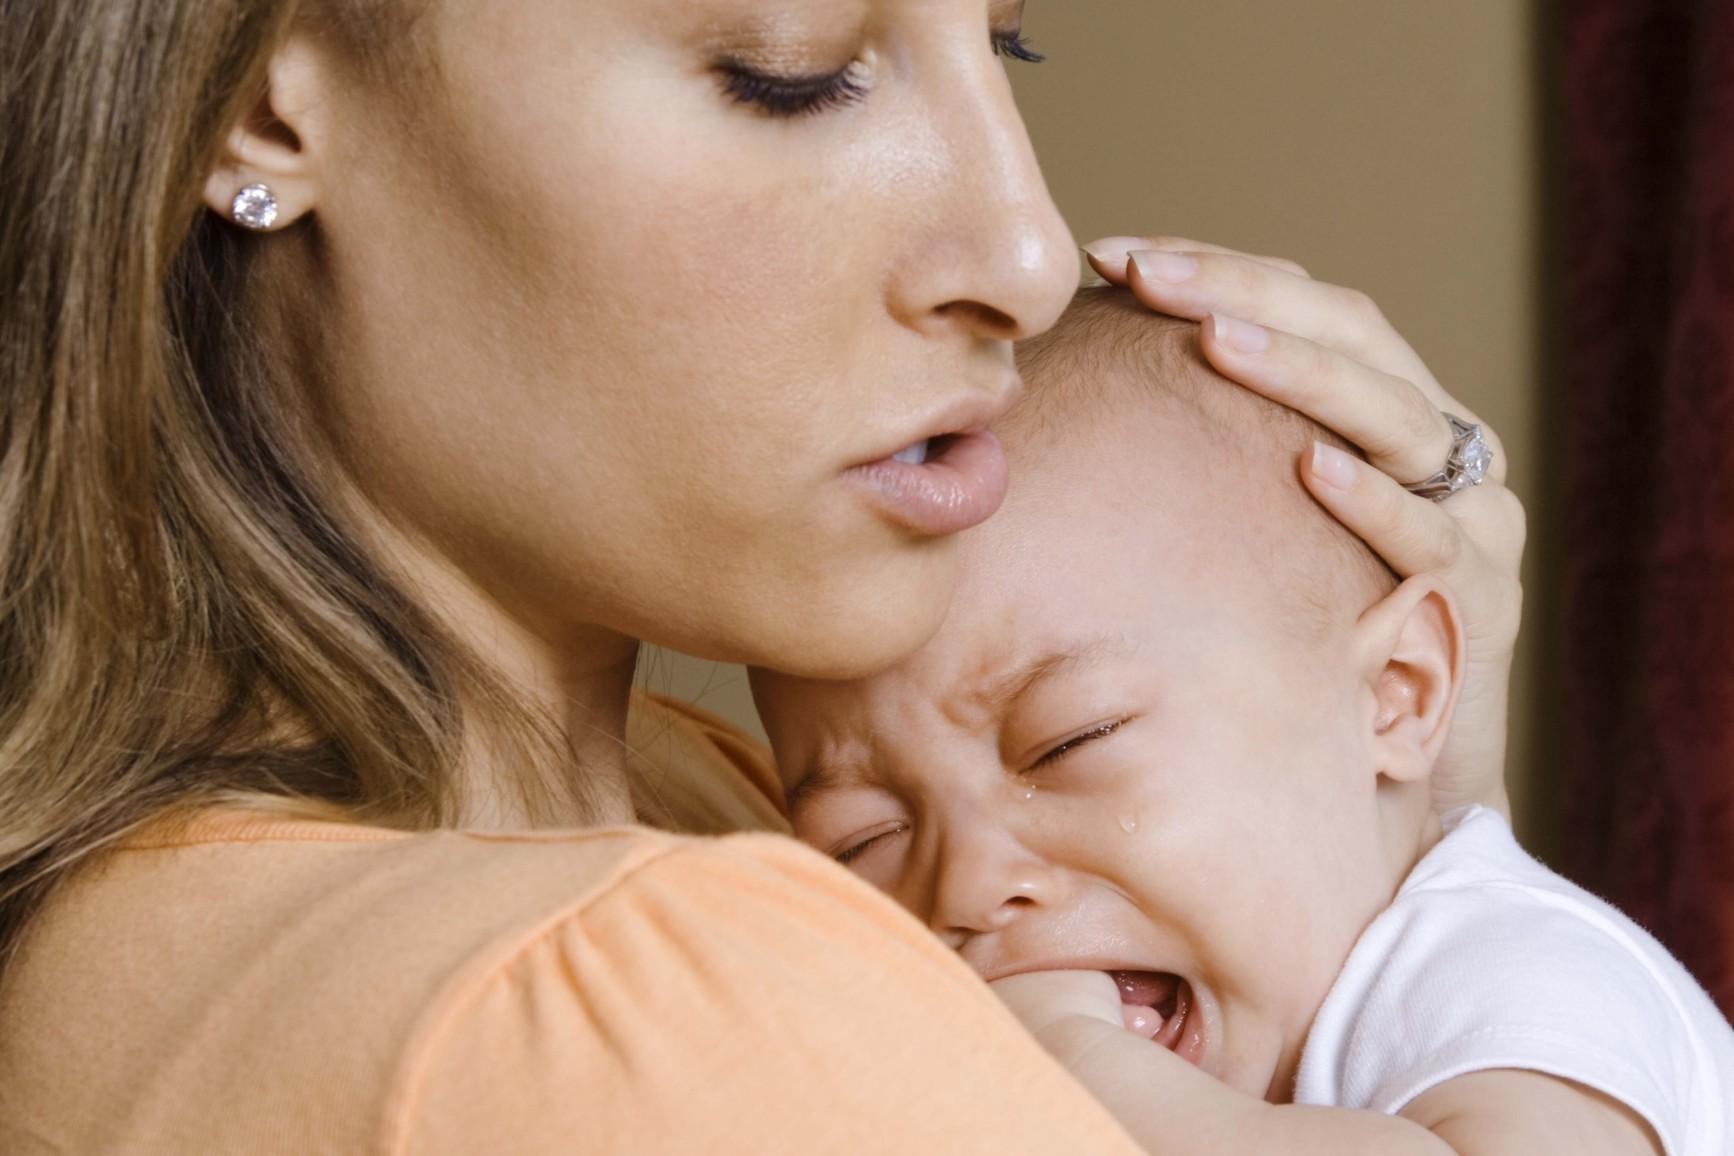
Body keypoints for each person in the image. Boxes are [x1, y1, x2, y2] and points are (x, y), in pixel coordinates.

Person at [0, 1, 1527, 1151]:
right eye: (791, 68)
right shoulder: (639, 1001)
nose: (1029, 249)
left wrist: (1407, 837)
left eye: (1007, 44)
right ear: (262, 107)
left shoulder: (684, 794)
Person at [753, 291, 1734, 1156]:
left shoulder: (1513, 977)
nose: (965, 882)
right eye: (863, 836)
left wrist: (1081, 1067)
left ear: (1397, 687)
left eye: (1071, 740)